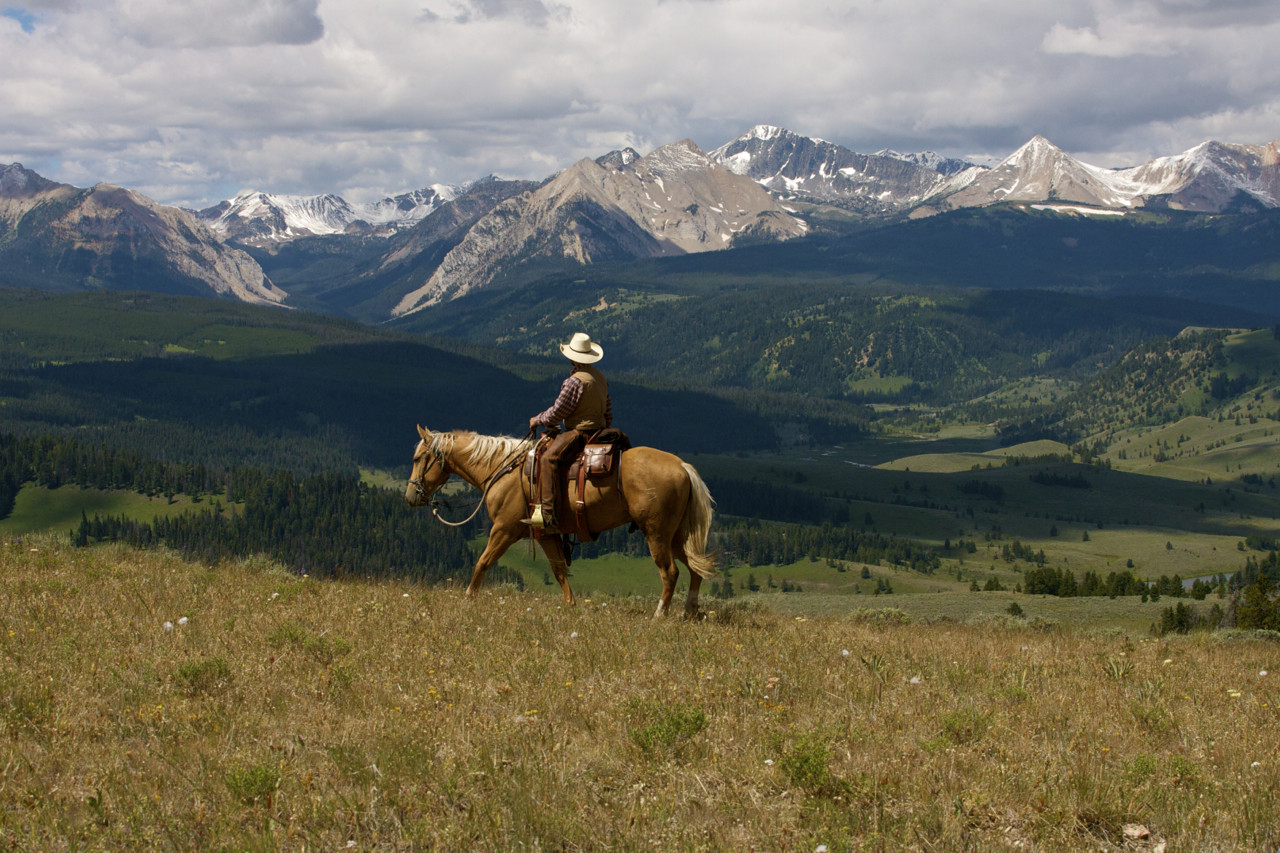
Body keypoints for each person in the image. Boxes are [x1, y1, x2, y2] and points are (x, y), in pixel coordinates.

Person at [527, 332, 612, 531]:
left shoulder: (574, 382)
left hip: (580, 432)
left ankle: (547, 514)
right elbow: (608, 412)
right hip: (600, 431)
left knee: (548, 459)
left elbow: (557, 412)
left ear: (573, 358)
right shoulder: (600, 378)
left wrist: (537, 419)